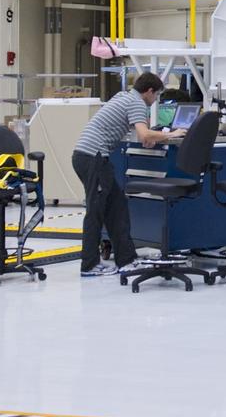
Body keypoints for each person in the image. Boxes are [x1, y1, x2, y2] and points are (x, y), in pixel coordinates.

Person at [71, 72, 187, 277]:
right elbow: (144, 134)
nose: (154, 102)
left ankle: (126, 260)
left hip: (88, 156)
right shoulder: (137, 103)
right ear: (149, 91)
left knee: (117, 207)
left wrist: (153, 136)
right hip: (94, 157)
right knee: (96, 212)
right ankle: (89, 265)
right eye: (156, 95)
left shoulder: (123, 96)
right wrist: (172, 134)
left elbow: (145, 135)